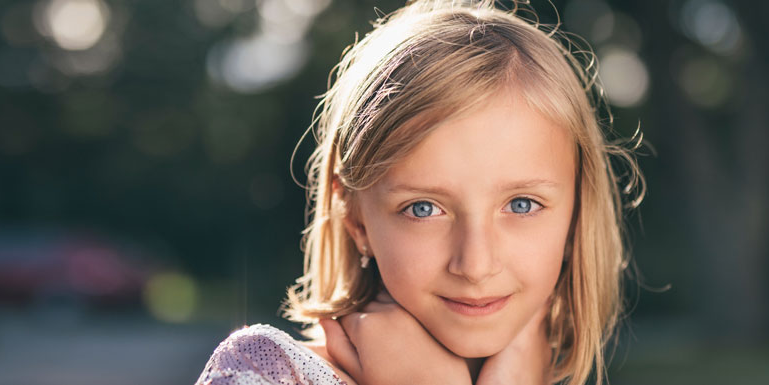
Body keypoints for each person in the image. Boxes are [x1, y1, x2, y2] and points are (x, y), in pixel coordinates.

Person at [196, 0, 645, 384]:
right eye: (424, 208)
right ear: (355, 220)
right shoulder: (265, 373)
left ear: (576, 214)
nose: (475, 264)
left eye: (521, 204)